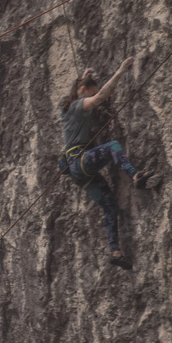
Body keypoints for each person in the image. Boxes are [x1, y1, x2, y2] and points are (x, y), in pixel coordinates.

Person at [59, 57, 158, 270]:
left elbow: (82, 92)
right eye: (90, 91)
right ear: (83, 91)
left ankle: (114, 251)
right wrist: (122, 70)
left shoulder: (66, 108)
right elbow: (101, 97)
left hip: (79, 172)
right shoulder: (77, 106)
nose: (93, 95)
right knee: (112, 146)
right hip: (80, 160)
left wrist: (84, 78)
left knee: (110, 206)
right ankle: (135, 175)